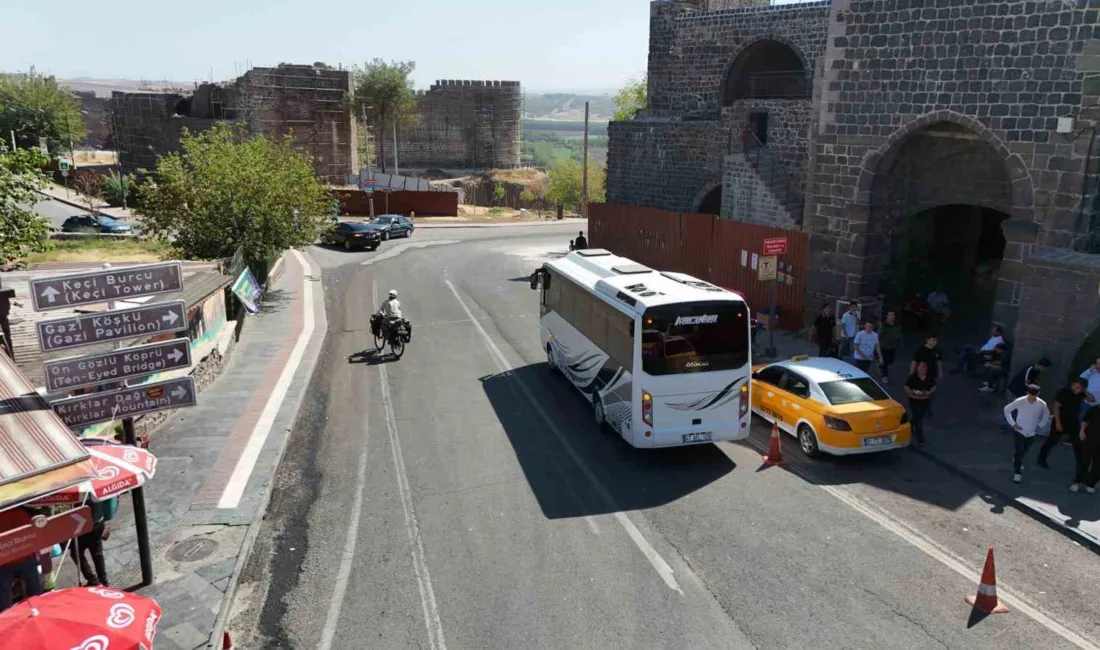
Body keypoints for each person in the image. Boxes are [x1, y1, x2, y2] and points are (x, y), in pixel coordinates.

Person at [1003, 384, 1051, 484]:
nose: (1032, 397)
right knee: (1019, 451)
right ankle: (1017, 473)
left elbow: (1046, 414)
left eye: (1035, 395)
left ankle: (1018, 458)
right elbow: (1007, 410)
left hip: (1032, 432)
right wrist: (1013, 424)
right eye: (1031, 395)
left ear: (1038, 394)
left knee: (1025, 449)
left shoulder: (1041, 403)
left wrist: (1041, 425)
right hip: (1020, 431)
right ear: (1027, 393)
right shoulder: (1020, 401)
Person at [0, 506, 44, 610]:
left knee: (3, 592)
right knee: (34, 588)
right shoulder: (22, 511)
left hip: (5, 562)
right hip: (26, 558)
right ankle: (39, 606)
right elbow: (33, 533)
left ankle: (5, 615)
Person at [1037, 378, 1086, 470]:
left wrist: (1084, 392)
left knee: (1077, 444)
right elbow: (1056, 407)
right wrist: (1058, 422)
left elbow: (1092, 399)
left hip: (1072, 422)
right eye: (1075, 384)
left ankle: (1081, 464)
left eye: (1079, 386)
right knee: (1051, 441)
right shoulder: (1064, 391)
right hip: (1061, 420)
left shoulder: (1080, 394)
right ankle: (1041, 459)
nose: (1076, 387)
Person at [69, 500, 109, 587]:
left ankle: (93, 579)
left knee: (76, 553)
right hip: (98, 520)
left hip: (85, 525)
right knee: (97, 553)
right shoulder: (93, 489)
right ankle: (103, 581)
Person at [905, 361, 936, 447]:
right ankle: (920, 439)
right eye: (921, 367)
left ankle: (910, 424)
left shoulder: (929, 378)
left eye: (924, 367)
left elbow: (934, 386)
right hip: (914, 400)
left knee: (919, 416)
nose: (922, 369)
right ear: (917, 368)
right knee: (919, 419)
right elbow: (906, 386)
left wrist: (929, 392)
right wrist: (910, 393)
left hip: (924, 401)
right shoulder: (912, 378)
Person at [1075, 402, 1100, 493]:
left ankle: (1091, 484)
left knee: (1098, 465)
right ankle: (1078, 482)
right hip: (1090, 439)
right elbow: (1085, 420)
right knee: (1084, 461)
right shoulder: (1096, 408)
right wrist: (1082, 431)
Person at [878, 310, 902, 383]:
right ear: (887, 316)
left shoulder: (897, 326)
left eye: (893, 315)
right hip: (884, 347)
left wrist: (899, 346)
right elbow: (879, 338)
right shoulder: (883, 326)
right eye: (890, 315)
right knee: (885, 362)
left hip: (893, 347)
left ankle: (881, 367)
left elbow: (899, 337)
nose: (892, 317)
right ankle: (885, 376)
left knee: (890, 362)